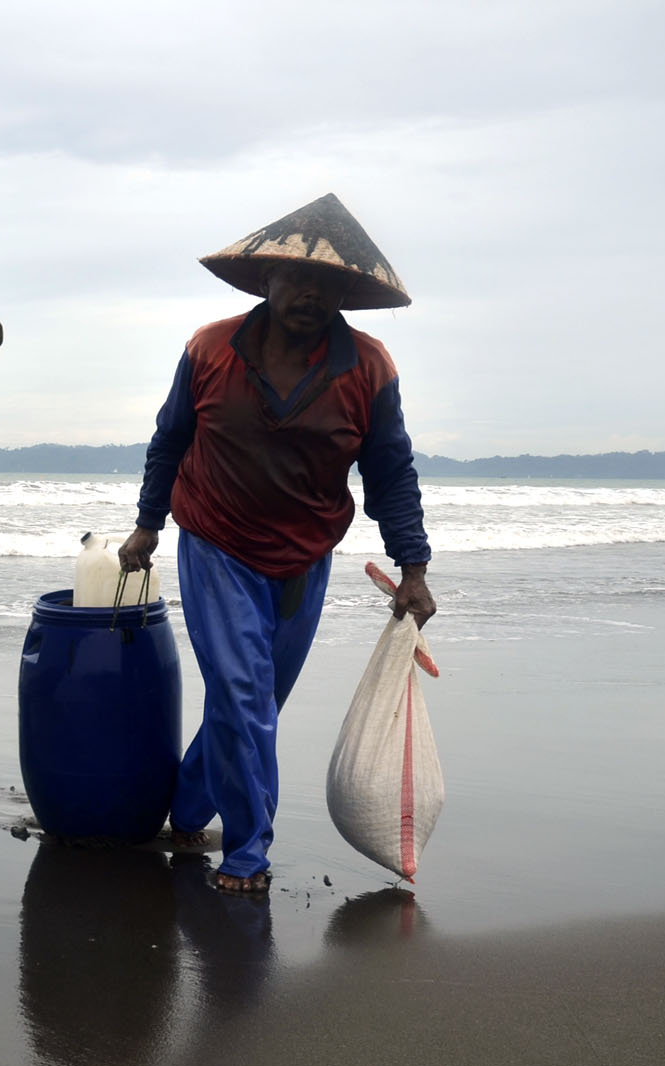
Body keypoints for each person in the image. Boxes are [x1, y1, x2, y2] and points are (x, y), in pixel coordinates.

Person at [117, 193, 435, 894]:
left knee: (254, 702)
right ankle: (248, 852)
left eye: (327, 285)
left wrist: (413, 567)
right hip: (217, 543)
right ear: (267, 279)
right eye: (297, 278)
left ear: (344, 296)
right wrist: (148, 523)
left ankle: (187, 809)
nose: (310, 295)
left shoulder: (369, 368)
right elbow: (170, 440)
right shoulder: (209, 349)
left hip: (303, 559)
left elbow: (391, 471)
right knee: (243, 694)